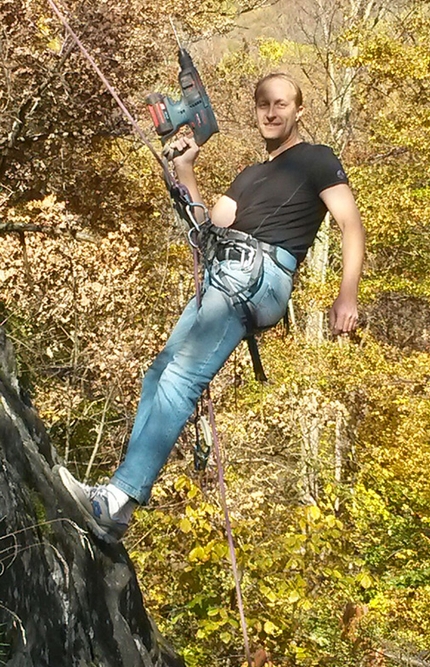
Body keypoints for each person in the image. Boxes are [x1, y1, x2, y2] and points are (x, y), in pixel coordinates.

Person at [58, 73, 365, 544]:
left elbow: (350, 225)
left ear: (299, 110)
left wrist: (346, 294)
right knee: (160, 373)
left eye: (281, 103)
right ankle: (116, 509)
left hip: (259, 274)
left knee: (182, 378)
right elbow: (207, 229)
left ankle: (118, 497)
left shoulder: (317, 159)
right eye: (263, 103)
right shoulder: (249, 175)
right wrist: (185, 172)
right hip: (227, 270)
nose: (271, 111)